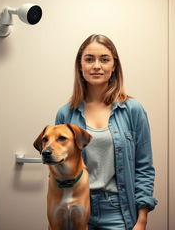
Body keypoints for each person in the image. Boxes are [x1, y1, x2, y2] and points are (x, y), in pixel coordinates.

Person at [55, 34, 157, 230]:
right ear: (80, 66)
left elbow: (144, 168)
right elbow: (58, 170)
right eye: (89, 59)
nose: (96, 66)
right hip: (75, 210)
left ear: (114, 66)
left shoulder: (133, 110)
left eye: (104, 59)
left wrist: (142, 219)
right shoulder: (65, 114)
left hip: (118, 211)